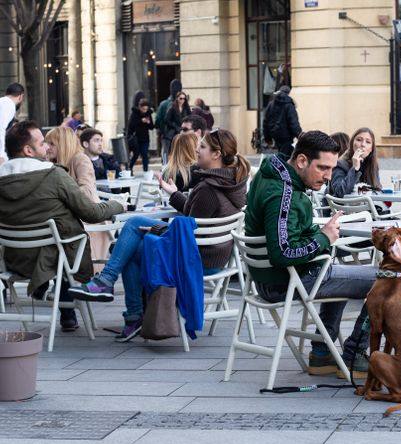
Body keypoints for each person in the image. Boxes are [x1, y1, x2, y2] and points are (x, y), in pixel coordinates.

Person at [69, 129, 250, 341]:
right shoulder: (231, 181)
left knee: (133, 231)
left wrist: (158, 229)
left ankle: (115, 293)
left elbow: (189, 233)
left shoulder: (208, 188)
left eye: (202, 147)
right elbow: (196, 220)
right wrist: (173, 194)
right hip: (213, 255)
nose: (197, 150)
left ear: (216, 154)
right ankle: (129, 310)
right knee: (131, 246)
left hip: (197, 259)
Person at [245, 130, 375, 378]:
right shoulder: (284, 194)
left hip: (268, 277)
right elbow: (283, 252)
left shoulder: (272, 173)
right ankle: (354, 355)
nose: (328, 177)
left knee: (339, 273)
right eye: (323, 168)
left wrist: (320, 233)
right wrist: (323, 237)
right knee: (388, 279)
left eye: (331, 169)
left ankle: (323, 354)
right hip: (284, 280)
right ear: (302, 161)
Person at [0, 121, 124, 331]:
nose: (47, 147)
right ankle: (69, 310)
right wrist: (117, 204)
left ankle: (61, 308)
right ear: (28, 150)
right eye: (42, 143)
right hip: (56, 258)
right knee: (67, 243)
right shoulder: (53, 174)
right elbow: (91, 213)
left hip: (13, 260)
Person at [45, 126, 112, 273]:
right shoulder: (52, 163)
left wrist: (60, 197)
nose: (46, 147)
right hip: (65, 220)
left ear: (63, 144)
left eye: (51, 144)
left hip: (87, 221)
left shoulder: (80, 159)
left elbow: (87, 191)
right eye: (45, 143)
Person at [328, 127, 381, 198]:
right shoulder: (340, 164)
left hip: (365, 206)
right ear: (352, 143)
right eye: (359, 140)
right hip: (341, 208)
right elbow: (340, 193)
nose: (363, 145)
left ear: (371, 149)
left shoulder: (372, 166)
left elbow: (377, 190)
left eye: (368, 142)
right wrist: (355, 168)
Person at [262, 85, 302, 157]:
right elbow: (293, 122)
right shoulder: (289, 105)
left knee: (282, 155)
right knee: (285, 157)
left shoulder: (271, 104)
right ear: (288, 93)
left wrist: (268, 139)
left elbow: (265, 122)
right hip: (286, 136)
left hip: (275, 136)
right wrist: (300, 135)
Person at [155, 79, 182, 160]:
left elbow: (157, 121)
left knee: (166, 156)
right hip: (179, 134)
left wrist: (162, 130)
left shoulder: (163, 104)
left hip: (166, 135)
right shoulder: (182, 104)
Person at [126, 98, 154, 174]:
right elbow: (131, 125)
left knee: (145, 154)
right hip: (136, 138)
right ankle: (130, 167)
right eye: (143, 109)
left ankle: (145, 170)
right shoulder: (135, 114)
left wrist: (148, 122)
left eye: (146, 109)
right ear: (140, 107)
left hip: (145, 138)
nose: (145, 110)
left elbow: (151, 127)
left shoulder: (148, 114)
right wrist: (141, 121)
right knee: (136, 154)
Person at [0, 83, 25, 165]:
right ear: (20, 96)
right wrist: (1, 154)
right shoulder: (9, 105)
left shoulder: (3, 102)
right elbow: (1, 128)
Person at [163, 91, 191, 163]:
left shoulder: (186, 108)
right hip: (172, 133)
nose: (182, 100)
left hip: (182, 132)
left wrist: (186, 126)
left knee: (181, 150)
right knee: (169, 151)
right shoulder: (172, 107)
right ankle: (166, 165)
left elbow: (190, 118)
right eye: (181, 98)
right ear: (177, 99)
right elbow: (166, 120)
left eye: (184, 99)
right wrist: (176, 126)